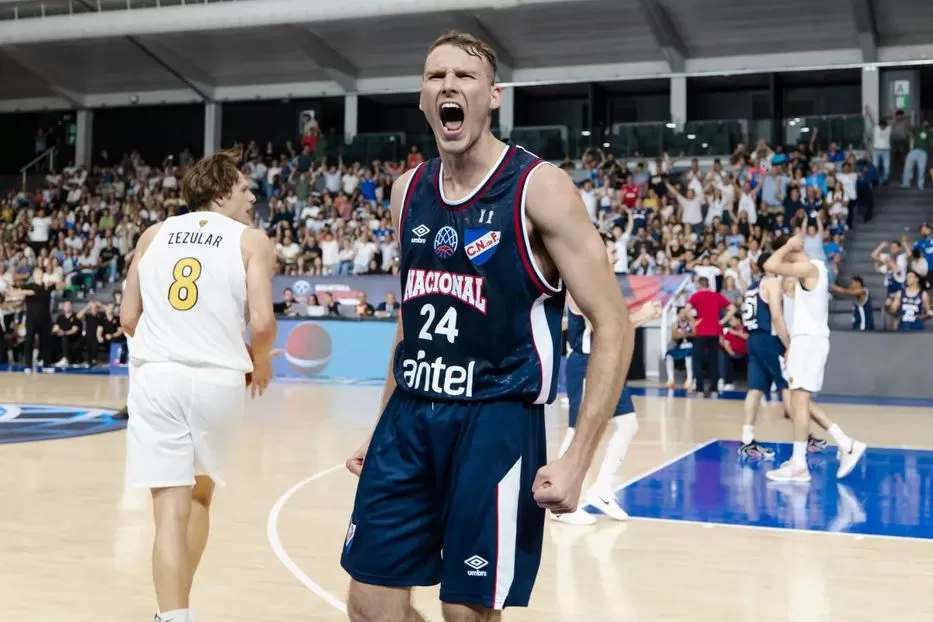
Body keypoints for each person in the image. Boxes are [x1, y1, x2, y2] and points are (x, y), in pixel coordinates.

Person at [339, 31, 633, 621]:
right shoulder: (407, 192)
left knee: (465, 613)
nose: (449, 85)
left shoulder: (538, 188)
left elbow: (614, 325)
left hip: (496, 418)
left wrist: (578, 458)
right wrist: (380, 422)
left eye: (465, 77)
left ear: (493, 96)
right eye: (435, 76)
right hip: (410, 416)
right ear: (422, 100)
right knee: (369, 605)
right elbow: (413, 317)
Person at [120, 147, 277, 622]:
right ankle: (177, 604)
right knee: (200, 497)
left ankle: (174, 613)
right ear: (221, 190)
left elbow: (129, 317)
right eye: (245, 187)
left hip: (159, 376)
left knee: (168, 510)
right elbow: (263, 321)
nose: (253, 195)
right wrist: (263, 362)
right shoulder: (251, 240)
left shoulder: (152, 235)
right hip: (218, 382)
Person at [552, 236, 662, 525]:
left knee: (628, 424)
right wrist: (643, 315)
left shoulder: (606, 283)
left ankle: (601, 489)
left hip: (604, 363)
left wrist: (636, 316)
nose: (616, 254)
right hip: (587, 364)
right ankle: (559, 500)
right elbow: (601, 327)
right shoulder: (584, 281)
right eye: (612, 250)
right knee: (578, 432)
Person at [763, 234, 866, 482]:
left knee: (798, 402)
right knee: (800, 402)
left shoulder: (810, 267)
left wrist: (788, 245)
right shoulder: (809, 271)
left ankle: (803, 463)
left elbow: (769, 265)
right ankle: (843, 443)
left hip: (808, 341)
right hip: (806, 341)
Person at [687, 276, 732, 398]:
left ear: (699, 285)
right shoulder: (716, 296)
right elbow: (732, 308)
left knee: (698, 361)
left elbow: (687, 310)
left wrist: (694, 322)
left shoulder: (696, 296)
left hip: (701, 331)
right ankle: (714, 389)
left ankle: (700, 389)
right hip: (714, 331)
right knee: (714, 361)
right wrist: (722, 321)